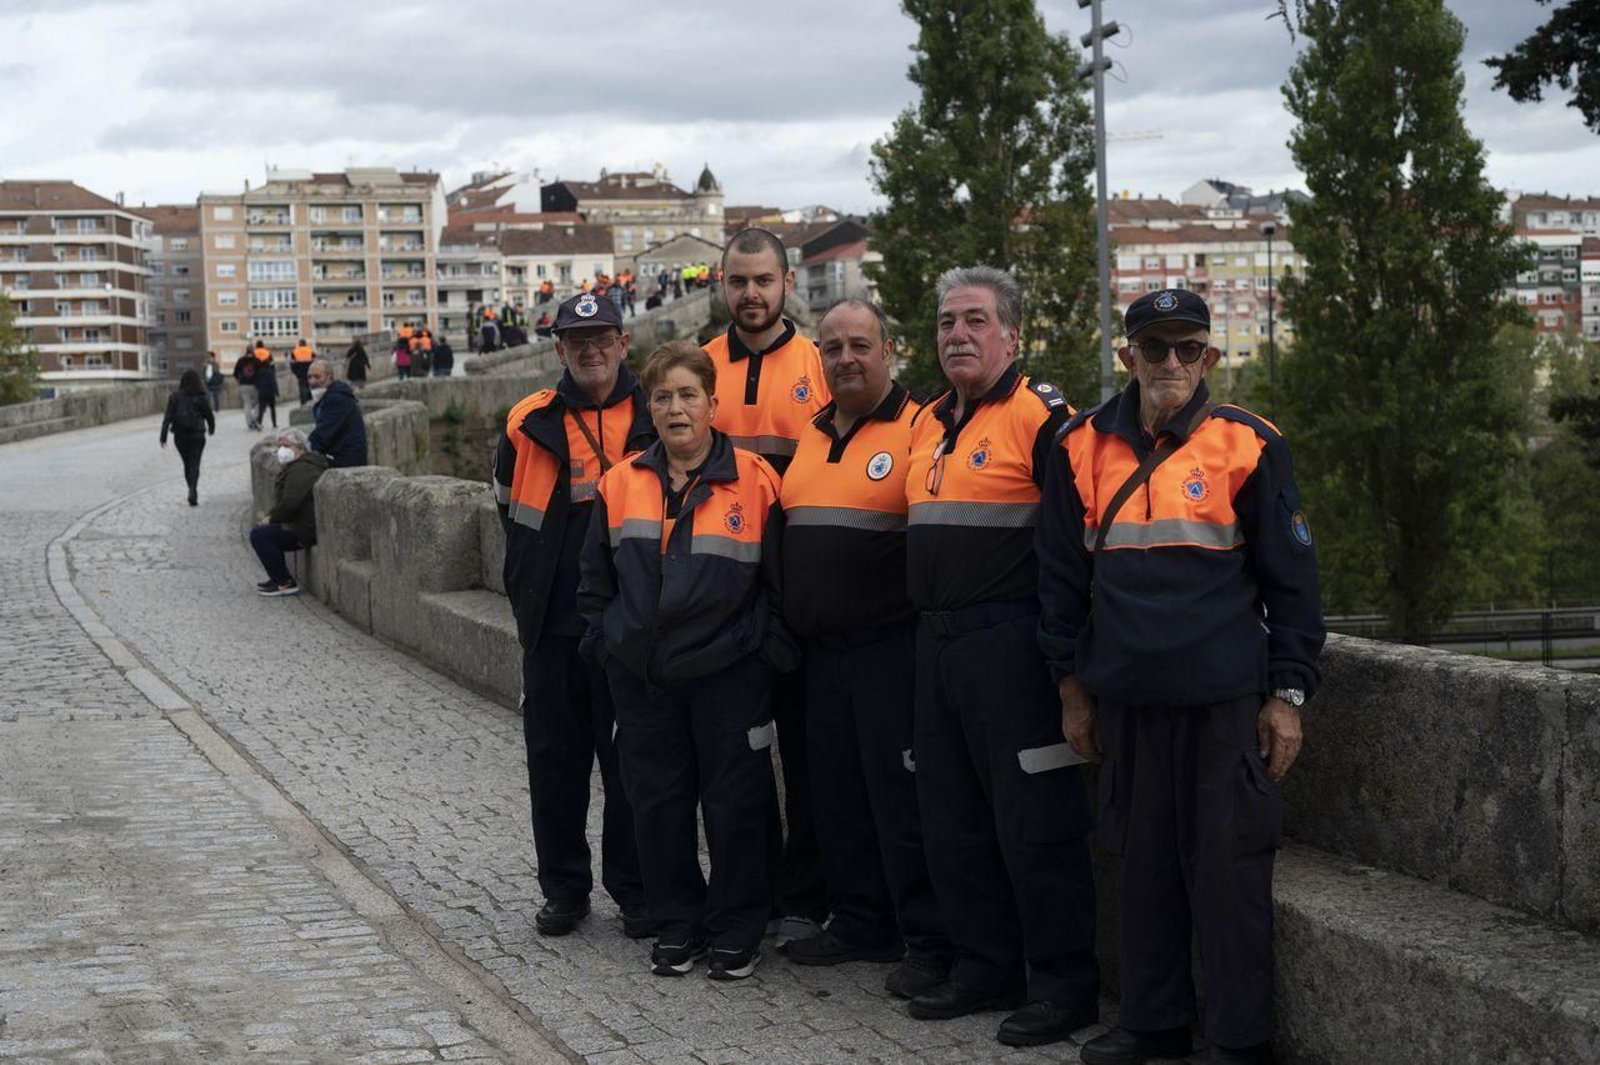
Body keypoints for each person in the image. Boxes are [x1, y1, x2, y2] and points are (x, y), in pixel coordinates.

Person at [1038, 289, 1326, 1065]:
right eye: (1154, 346)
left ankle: (1239, 1038)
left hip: (1224, 704)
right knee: (1141, 867)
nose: (1170, 362)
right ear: (1125, 356)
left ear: (1211, 357)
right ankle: (1153, 1023)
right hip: (1126, 701)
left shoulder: (1251, 444)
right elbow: (1060, 586)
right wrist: (1072, 689)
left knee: (1229, 876)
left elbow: (1294, 586)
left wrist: (1288, 696)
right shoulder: (1078, 447)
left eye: (1187, 347)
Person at [902, 265, 1096, 1048]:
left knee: (1035, 824)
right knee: (950, 818)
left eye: (976, 321)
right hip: (937, 645)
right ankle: (984, 965)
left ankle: (1064, 985)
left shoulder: (1043, 420)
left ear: (1013, 334)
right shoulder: (927, 421)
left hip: (1013, 647)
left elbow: (1078, 549)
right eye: (947, 321)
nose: (958, 334)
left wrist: (1071, 670)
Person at [578, 340, 796, 982]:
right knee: (658, 805)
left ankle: (736, 927)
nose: (676, 408)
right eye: (663, 396)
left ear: (711, 403)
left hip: (730, 676)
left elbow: (781, 589)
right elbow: (593, 587)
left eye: (688, 395)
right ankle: (677, 922)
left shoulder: (756, 480)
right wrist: (610, 646)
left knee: (736, 806)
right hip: (644, 680)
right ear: (651, 406)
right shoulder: (619, 484)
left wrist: (758, 658)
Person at [776, 299, 951, 999]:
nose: (845, 358)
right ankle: (857, 921)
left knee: (901, 800)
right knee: (836, 797)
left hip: (891, 650)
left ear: (889, 349)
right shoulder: (814, 434)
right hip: (820, 656)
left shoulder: (921, 427)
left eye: (859, 345)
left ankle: (928, 937)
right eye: (833, 347)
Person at [492, 291, 651, 943]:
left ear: (623, 343)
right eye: (576, 339)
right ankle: (564, 888)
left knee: (633, 767)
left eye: (601, 336)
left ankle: (635, 889)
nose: (590, 349)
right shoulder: (527, 420)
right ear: (558, 348)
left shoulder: (655, 413)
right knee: (555, 765)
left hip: (631, 625)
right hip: (553, 628)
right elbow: (508, 509)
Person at [703, 226, 831, 945]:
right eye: (739, 281)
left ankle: (807, 895)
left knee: (809, 755)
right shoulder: (702, 365)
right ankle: (742, 894)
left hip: (802, 588)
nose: (751, 293)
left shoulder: (820, 362)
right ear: (723, 284)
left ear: (786, 284)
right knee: (737, 759)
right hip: (722, 588)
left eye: (763, 280)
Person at [249, 427, 328, 597]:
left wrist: (271, 519)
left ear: (300, 448)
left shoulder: (304, 469)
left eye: (286, 445)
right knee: (262, 532)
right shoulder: (295, 467)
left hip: (303, 528)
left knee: (259, 535)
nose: (281, 450)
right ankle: (277, 577)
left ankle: (285, 582)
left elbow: (290, 503)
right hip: (297, 522)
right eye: (280, 446)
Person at [160, 368, 216, 506]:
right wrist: (211, 429)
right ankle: (193, 489)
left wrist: (163, 436)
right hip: (197, 434)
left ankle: (191, 488)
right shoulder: (201, 396)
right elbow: (209, 415)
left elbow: (168, 418)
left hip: (180, 435)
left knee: (187, 463)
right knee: (195, 462)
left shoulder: (174, 397)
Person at [305, 359, 367, 469]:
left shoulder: (337, 399)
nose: (312, 381)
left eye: (317, 376)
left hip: (347, 460)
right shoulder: (327, 397)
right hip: (338, 454)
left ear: (330, 378)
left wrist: (300, 448)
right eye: (309, 377)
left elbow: (321, 436)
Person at [233, 349, 261, 431]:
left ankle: (249, 423)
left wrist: (239, 380)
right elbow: (261, 373)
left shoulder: (241, 360)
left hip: (243, 385)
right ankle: (255, 420)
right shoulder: (257, 361)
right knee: (257, 404)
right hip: (255, 385)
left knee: (247, 404)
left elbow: (235, 373)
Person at [253, 343, 279, 429]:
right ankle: (274, 424)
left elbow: (256, 381)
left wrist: (257, 388)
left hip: (262, 392)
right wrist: (276, 392)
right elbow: (273, 382)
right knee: (272, 408)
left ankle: (259, 422)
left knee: (261, 408)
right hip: (270, 392)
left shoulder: (259, 372)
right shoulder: (270, 372)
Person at [291, 338, 315, 404]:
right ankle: (310, 402)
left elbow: (292, 364)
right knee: (310, 387)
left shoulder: (295, 351)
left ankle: (303, 404)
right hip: (310, 372)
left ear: (299, 344)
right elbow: (315, 362)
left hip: (300, 373)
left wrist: (296, 373)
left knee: (302, 388)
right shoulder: (310, 351)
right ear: (305, 344)